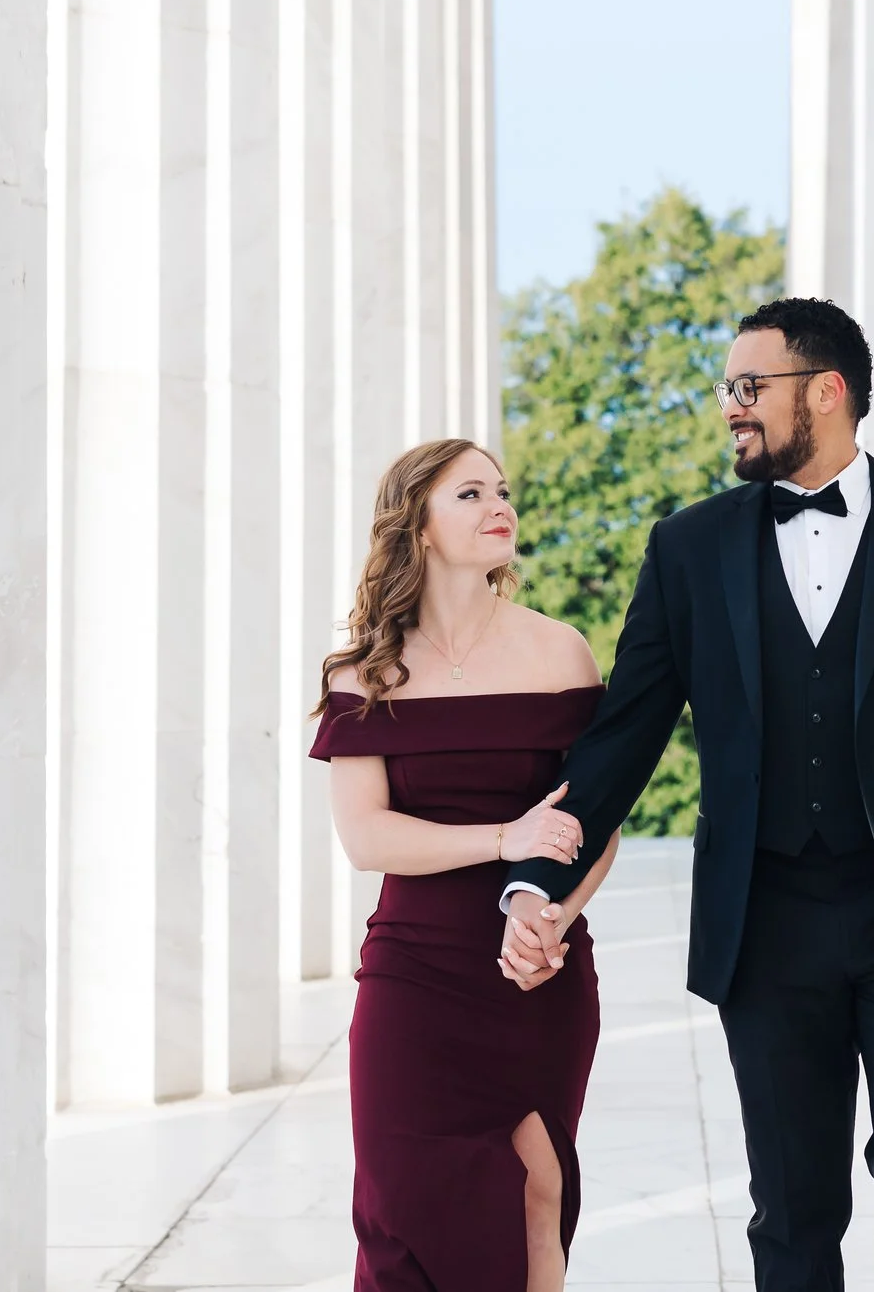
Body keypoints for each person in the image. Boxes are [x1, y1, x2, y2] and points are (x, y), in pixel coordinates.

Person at [497, 296, 874, 1291]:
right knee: (792, 1202)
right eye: (726, 389)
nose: (730, 407)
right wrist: (532, 876)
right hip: (767, 912)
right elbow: (623, 739)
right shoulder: (686, 547)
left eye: (750, 386)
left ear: (826, 392)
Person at [311, 438, 610, 1292]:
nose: (500, 505)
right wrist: (501, 839)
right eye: (471, 493)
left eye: (504, 490)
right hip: (414, 974)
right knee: (405, 1212)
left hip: (535, 971)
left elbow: (598, 821)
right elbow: (366, 838)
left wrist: (551, 915)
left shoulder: (561, 653)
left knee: (536, 1196)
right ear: (421, 526)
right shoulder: (361, 672)